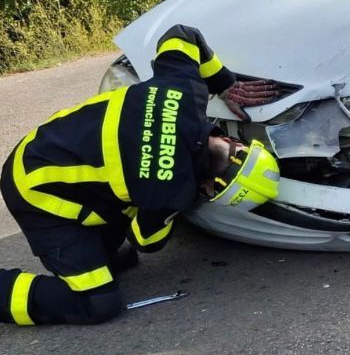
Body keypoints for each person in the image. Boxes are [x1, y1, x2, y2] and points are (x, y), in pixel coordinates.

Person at [1, 25, 282, 327]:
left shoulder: (185, 90)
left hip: (47, 142)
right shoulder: (171, 192)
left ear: (234, 143)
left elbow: (183, 34)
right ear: (212, 187)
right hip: (35, 191)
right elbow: (144, 240)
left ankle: (93, 248)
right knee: (97, 303)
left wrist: (224, 83)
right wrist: (178, 204)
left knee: (118, 259)